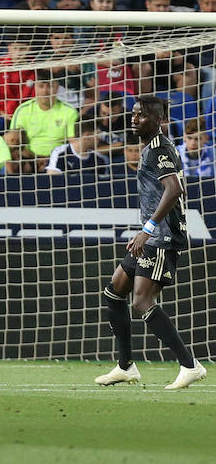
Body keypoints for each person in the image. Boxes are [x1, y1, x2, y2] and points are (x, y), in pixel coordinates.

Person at [94, 95, 207, 389]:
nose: (134, 119)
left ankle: (189, 364)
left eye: (141, 115)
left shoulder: (159, 149)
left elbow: (174, 189)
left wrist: (148, 227)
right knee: (114, 291)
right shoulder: (149, 148)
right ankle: (126, 366)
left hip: (163, 235)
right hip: (153, 234)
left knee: (141, 300)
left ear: (159, 120)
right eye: (133, 114)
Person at [10, 69, 80, 158]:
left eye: (50, 86)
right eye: (41, 86)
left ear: (57, 87)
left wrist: (53, 160)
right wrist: (35, 159)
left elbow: (74, 144)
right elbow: (13, 142)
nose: (45, 91)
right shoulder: (23, 110)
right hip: (28, 160)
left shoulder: (69, 111)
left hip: (59, 161)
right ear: (35, 87)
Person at [0, 33, 35, 124]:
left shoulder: (36, 67)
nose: (18, 53)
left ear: (29, 49)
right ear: (9, 48)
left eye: (22, 49)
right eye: (15, 48)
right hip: (0, 114)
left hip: (27, 114)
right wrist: (0, 112)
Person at [45, 119, 109, 174]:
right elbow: (52, 179)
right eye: (97, 134)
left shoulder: (100, 159)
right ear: (87, 135)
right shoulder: (60, 152)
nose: (99, 138)